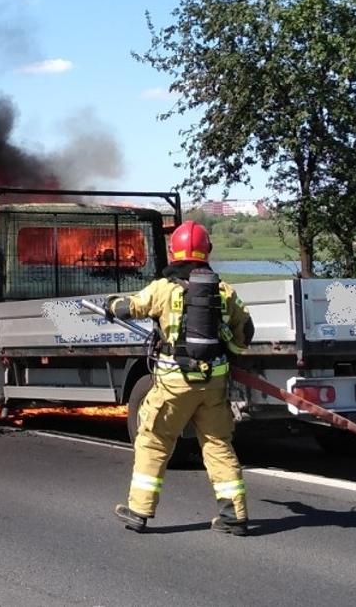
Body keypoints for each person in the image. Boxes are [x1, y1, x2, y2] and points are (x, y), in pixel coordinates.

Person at [103, 220, 254, 535]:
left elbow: (131, 307)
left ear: (174, 252)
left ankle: (139, 510)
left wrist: (111, 305)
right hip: (214, 383)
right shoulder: (225, 291)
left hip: (175, 382)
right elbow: (245, 333)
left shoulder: (163, 288)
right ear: (207, 252)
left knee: (154, 440)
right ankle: (234, 516)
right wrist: (232, 349)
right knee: (217, 444)